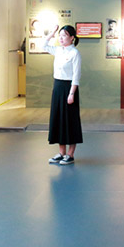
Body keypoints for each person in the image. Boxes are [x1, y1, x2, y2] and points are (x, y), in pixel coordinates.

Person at [44, 25, 82, 165]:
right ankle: (61, 153)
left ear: (72, 38)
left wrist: (71, 94)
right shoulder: (58, 50)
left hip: (69, 88)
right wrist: (53, 32)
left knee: (70, 120)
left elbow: (76, 76)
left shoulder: (75, 53)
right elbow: (44, 45)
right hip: (58, 87)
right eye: (60, 35)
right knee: (58, 119)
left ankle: (70, 154)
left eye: (64, 35)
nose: (61, 38)